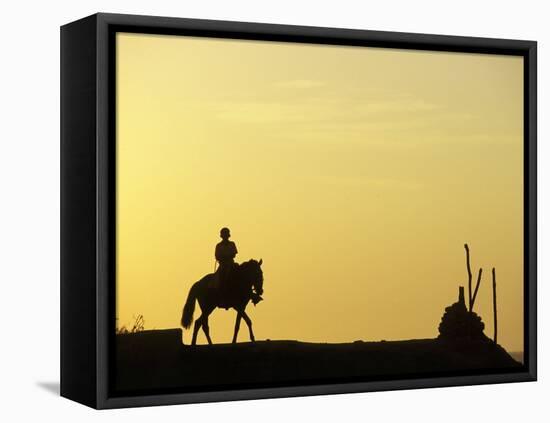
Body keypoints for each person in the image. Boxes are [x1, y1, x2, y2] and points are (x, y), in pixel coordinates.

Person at [213, 227, 238, 296]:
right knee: (221, 276)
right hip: (223, 265)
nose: (225, 236)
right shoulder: (219, 245)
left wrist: (228, 257)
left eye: (226, 235)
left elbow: (234, 254)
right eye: (224, 235)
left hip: (231, 264)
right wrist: (223, 258)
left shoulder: (232, 244)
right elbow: (217, 256)